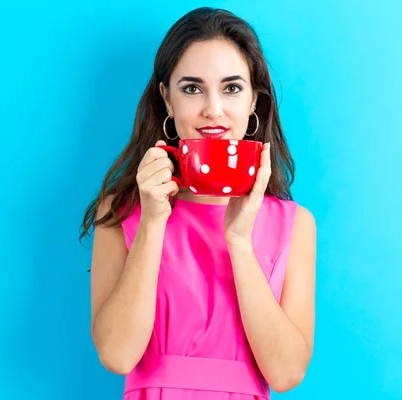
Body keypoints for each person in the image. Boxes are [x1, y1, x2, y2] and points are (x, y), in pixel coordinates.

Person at [80, 7, 316, 399]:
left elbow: (287, 373)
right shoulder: (121, 212)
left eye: (231, 88)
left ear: (255, 101)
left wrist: (240, 241)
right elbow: (118, 356)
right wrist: (153, 221)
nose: (213, 109)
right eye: (192, 88)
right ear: (167, 100)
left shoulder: (295, 224)